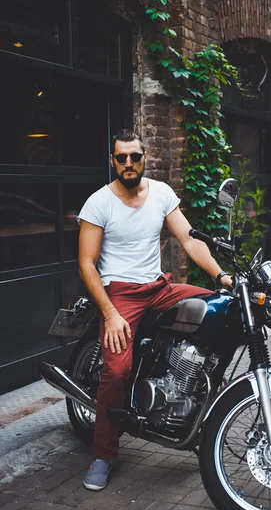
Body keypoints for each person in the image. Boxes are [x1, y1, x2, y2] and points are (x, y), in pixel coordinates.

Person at [77, 128, 232, 491]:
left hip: (158, 287)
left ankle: (194, 406)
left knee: (219, 309)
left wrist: (222, 276)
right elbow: (86, 263)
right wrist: (111, 313)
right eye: (121, 158)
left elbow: (189, 240)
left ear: (146, 158)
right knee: (116, 370)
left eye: (135, 156)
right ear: (113, 161)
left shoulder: (161, 193)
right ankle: (102, 453)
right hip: (120, 295)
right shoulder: (99, 202)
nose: (128, 163)